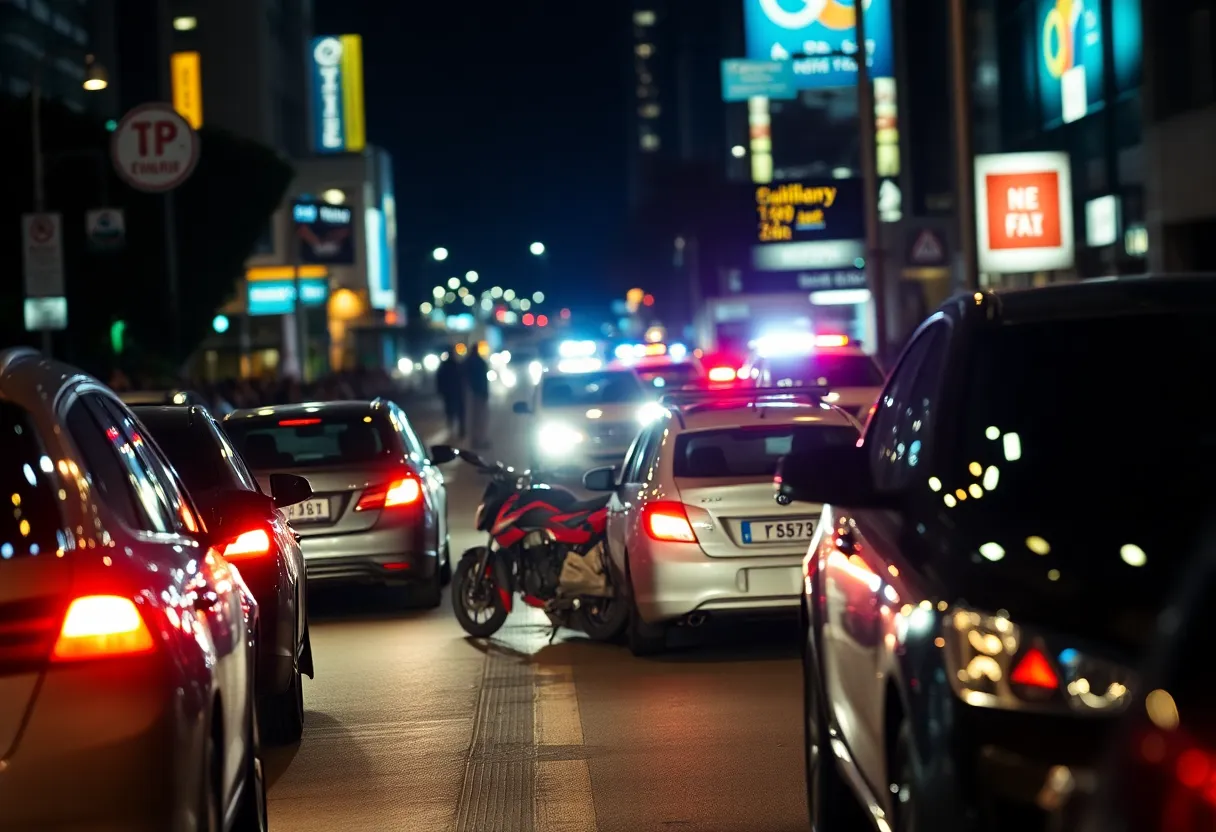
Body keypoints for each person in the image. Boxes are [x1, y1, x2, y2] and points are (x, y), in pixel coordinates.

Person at [463, 347, 490, 448]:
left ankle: (475, 440)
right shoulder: (480, 362)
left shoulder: (468, 362)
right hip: (479, 393)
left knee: (474, 418)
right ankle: (479, 440)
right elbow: (483, 379)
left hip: (472, 392)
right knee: (480, 418)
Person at [436, 350, 465, 439]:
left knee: (450, 412)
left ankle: (452, 429)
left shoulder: (445, 366)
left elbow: (439, 378)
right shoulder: (456, 365)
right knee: (458, 413)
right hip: (455, 392)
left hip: (449, 393)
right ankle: (460, 431)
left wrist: (441, 390)